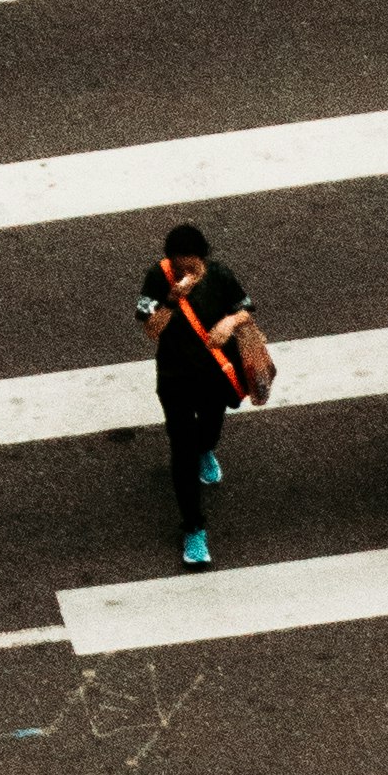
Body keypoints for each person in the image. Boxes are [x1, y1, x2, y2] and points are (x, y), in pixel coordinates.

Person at [137, 219, 270, 565]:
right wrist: (171, 300)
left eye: (191, 265)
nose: (185, 271)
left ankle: (206, 449)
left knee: (210, 428)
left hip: (215, 377)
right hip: (175, 379)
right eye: (178, 265)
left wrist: (229, 322)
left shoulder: (220, 276)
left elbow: (246, 310)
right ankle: (194, 529)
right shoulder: (158, 279)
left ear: (203, 258)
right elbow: (151, 330)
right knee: (181, 451)